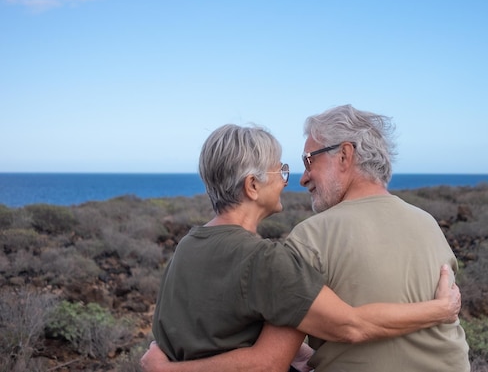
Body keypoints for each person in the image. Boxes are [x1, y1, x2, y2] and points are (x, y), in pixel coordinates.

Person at [147, 123, 462, 372]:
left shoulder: (187, 246)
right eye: (280, 171)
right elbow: (351, 325)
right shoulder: (263, 260)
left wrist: (301, 353)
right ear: (252, 186)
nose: (288, 181)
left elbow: (218, 322)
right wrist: (440, 309)